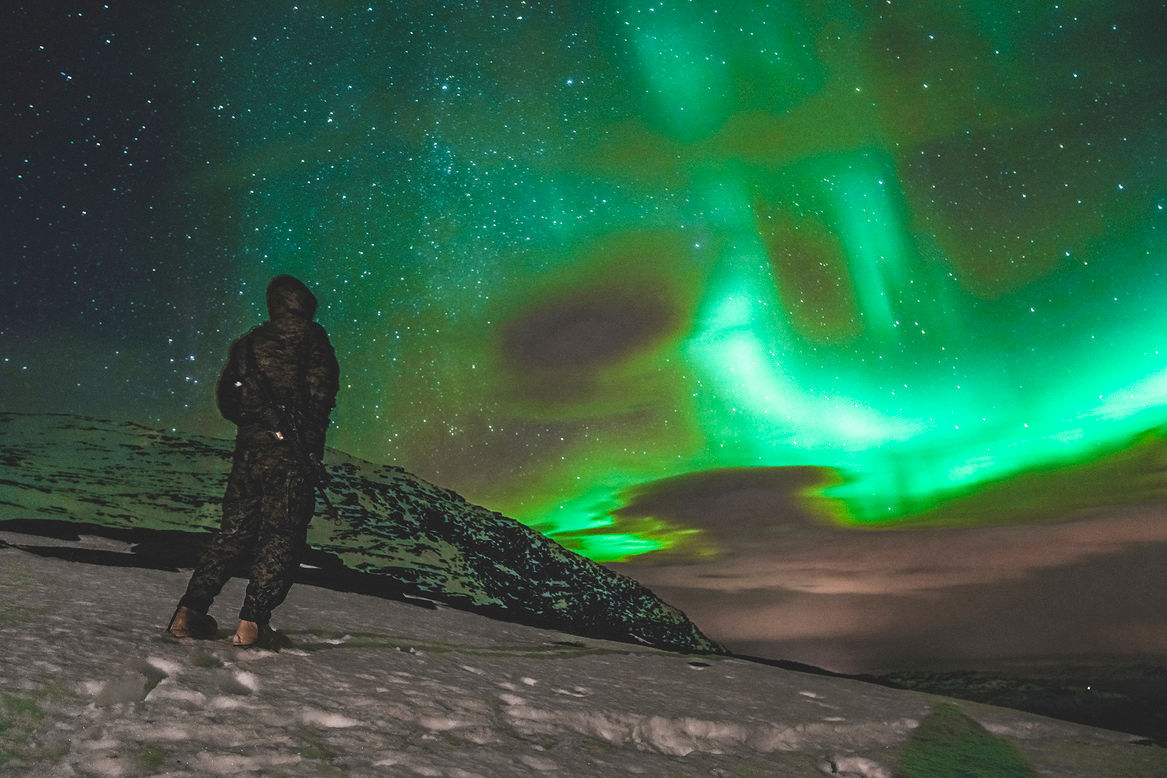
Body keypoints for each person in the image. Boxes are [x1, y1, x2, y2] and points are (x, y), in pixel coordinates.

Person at [167, 275, 339, 647]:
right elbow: (321, 398)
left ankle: (189, 612)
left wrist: (256, 422)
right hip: (290, 457)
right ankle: (253, 625)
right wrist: (306, 444)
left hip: (248, 454)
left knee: (233, 533)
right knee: (283, 534)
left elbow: (228, 402)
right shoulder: (312, 339)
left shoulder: (247, 344)